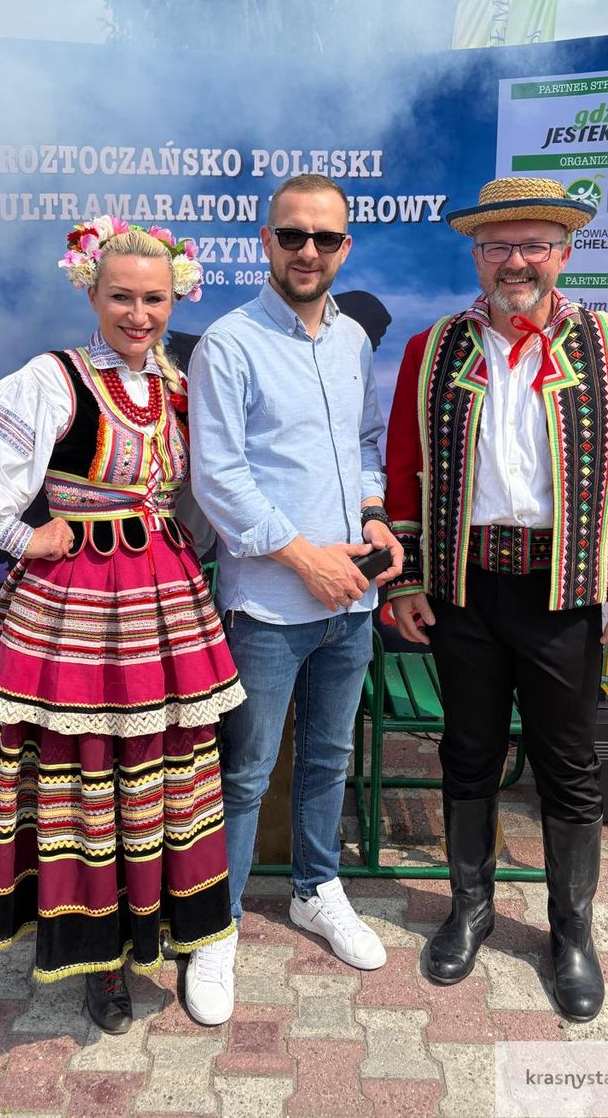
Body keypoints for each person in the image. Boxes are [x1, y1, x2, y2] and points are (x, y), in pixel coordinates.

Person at [0, 219, 245, 1035]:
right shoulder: (56, 376)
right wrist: (21, 535)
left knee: (165, 767)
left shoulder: (177, 383)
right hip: (78, 603)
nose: (139, 314)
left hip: (162, 600)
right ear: (92, 294)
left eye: (154, 299)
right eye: (122, 297)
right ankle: (101, 956)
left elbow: (206, 489)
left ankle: (168, 926)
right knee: (85, 769)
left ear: (176, 299)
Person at [385, 175, 608, 1022]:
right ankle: (469, 910)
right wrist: (406, 578)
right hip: (464, 587)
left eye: (534, 244)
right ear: (477, 256)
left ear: (564, 253)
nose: (516, 261)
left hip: (565, 588)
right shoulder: (433, 348)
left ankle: (571, 932)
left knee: (570, 765)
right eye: (498, 246)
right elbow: (404, 466)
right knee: (467, 751)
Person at [186, 173, 404, 1025]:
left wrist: (376, 515)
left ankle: (316, 888)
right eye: (291, 235)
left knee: (328, 758)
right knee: (244, 772)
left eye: (324, 237)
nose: (307, 251)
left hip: (350, 598)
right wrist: (304, 558)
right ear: (265, 242)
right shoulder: (229, 344)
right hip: (270, 607)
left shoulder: (351, 340)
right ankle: (219, 925)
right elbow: (219, 477)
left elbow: (365, 443)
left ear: (346, 247)